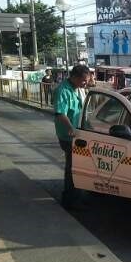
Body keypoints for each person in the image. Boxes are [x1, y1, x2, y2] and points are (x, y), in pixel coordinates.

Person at [53, 65, 90, 209]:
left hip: (79, 133)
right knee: (73, 167)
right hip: (68, 136)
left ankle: (78, 196)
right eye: (83, 80)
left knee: (79, 166)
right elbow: (60, 113)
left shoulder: (78, 89)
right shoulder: (63, 90)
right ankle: (70, 199)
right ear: (74, 77)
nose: (85, 83)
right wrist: (71, 128)